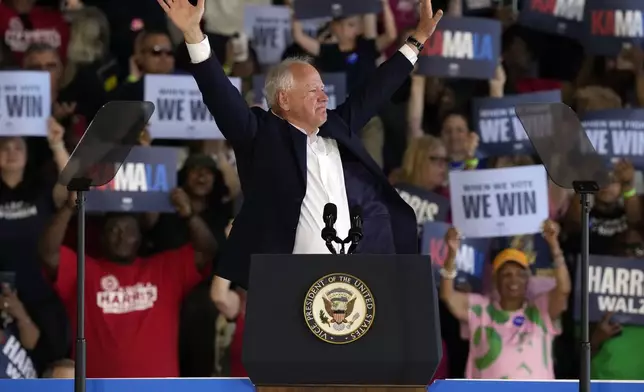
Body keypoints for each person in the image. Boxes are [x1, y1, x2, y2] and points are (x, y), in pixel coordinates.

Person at [158, 0, 444, 288]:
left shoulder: (336, 126)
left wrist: (417, 40)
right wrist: (194, 35)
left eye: (322, 89)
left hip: (347, 277)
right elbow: (220, 96)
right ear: (284, 99)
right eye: (313, 90)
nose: (324, 96)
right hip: (287, 283)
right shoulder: (260, 134)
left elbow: (376, 90)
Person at [38, 189, 217, 378]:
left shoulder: (165, 268)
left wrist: (190, 215)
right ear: (101, 237)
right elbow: (48, 253)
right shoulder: (83, 269)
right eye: (114, 230)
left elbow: (206, 251)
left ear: (140, 238)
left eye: (129, 230)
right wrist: (67, 208)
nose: (122, 236)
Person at [440, 220, 571, 379]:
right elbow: (448, 296)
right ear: (496, 281)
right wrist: (452, 254)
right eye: (506, 275)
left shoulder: (540, 310)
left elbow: (563, 289)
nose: (513, 280)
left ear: (527, 280)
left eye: (520, 274)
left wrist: (554, 246)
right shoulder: (481, 309)